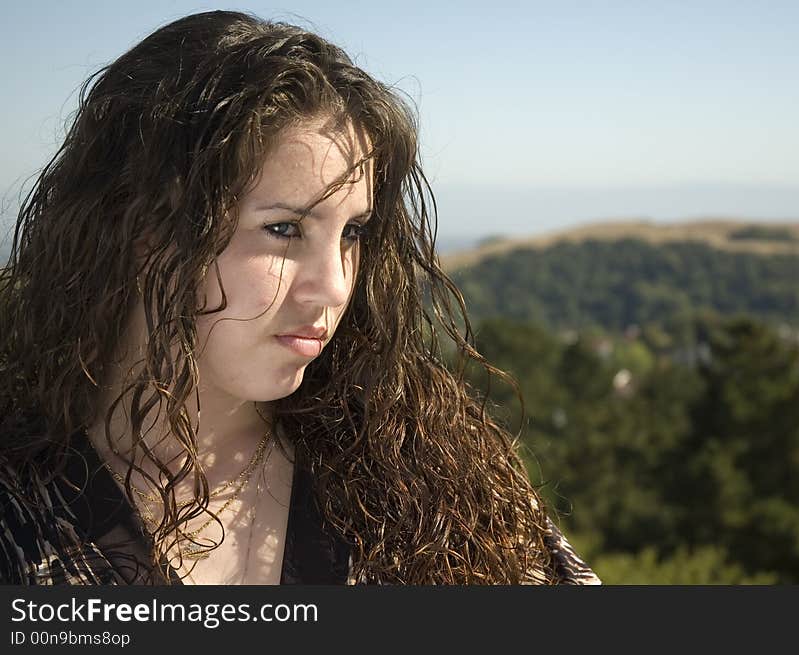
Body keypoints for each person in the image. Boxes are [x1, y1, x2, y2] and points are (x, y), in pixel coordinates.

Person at [0, 10, 600, 585]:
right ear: (142, 225)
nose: (336, 286)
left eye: (353, 233)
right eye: (284, 229)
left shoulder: (424, 479)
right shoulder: (21, 512)